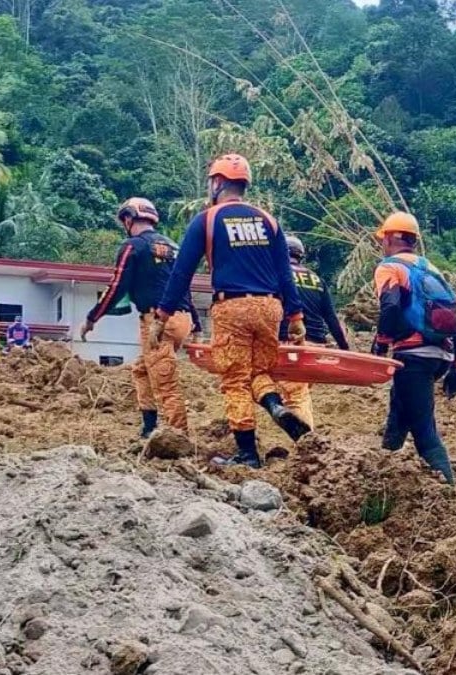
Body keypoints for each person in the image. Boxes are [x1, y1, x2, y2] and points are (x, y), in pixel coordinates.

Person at [157, 153, 307, 468]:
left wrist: (164, 313)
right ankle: (275, 405)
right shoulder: (269, 221)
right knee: (259, 371)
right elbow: (285, 274)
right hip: (270, 307)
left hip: (232, 307)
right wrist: (296, 318)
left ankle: (248, 455)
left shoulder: (208, 220)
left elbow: (181, 272)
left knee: (235, 379)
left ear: (217, 182)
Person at [80, 197, 199, 438]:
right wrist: (195, 320)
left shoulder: (133, 246)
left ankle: (179, 437)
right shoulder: (173, 247)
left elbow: (117, 285)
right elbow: (183, 285)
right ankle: (149, 426)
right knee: (142, 370)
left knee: (165, 381)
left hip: (158, 322)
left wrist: (93, 317)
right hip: (182, 319)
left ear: (128, 219)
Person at [371, 212, 456, 484]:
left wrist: (381, 344)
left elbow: (390, 306)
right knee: (400, 415)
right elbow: (452, 315)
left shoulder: (390, 267)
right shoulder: (431, 269)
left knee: (424, 431)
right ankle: (381, 478)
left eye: (383, 239)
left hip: (413, 356)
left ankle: (450, 495)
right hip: (441, 355)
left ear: (390, 238)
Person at [277, 233, 350, 428]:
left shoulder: (276, 276)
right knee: (297, 391)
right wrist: (345, 349)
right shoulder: (317, 280)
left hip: (291, 344)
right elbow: (332, 319)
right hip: (316, 347)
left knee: (295, 396)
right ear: (301, 256)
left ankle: (307, 443)